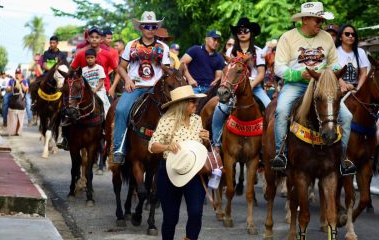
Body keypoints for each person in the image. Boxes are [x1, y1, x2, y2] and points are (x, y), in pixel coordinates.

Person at [271, 2, 356, 175]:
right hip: (296, 85)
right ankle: (281, 155)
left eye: (321, 20)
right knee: (281, 111)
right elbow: (278, 67)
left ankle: (342, 159)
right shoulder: (288, 37)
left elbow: (334, 64)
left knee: (347, 117)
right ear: (305, 19)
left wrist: (327, 73)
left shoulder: (326, 38)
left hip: (322, 86)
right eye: (317, 20)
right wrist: (298, 75)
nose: (320, 24)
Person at [148, 85, 209, 240]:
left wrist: (207, 140)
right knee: (170, 217)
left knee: (196, 212)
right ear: (181, 104)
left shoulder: (197, 119)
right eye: (192, 102)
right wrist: (167, 146)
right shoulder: (167, 120)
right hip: (170, 171)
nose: (196, 104)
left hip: (195, 170)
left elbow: (201, 147)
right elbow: (152, 146)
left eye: (196, 101)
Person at [112, 11, 170, 164]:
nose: (149, 29)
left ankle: (173, 147)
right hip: (136, 86)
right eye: (146, 26)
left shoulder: (163, 47)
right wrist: (127, 80)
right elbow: (121, 67)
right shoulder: (131, 45)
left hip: (156, 89)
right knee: (120, 109)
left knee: (174, 112)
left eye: (153, 26)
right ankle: (119, 148)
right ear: (141, 28)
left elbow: (167, 71)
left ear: (156, 28)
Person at [211, 17, 270, 149]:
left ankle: (267, 144)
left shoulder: (258, 51)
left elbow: (261, 73)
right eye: (239, 31)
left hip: (254, 86)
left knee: (270, 108)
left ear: (251, 33)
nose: (242, 33)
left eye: (245, 30)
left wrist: (249, 87)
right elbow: (227, 71)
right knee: (220, 109)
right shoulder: (230, 52)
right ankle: (216, 142)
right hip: (233, 86)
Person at [58, 26, 118, 150]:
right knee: (67, 109)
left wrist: (112, 87)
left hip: (102, 90)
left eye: (97, 37)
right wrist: (66, 84)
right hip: (82, 93)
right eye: (92, 37)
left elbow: (118, 71)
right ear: (88, 38)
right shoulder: (81, 54)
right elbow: (71, 71)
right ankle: (65, 138)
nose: (94, 39)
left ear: (101, 39)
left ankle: (109, 136)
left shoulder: (108, 54)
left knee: (112, 112)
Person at [335, 24, 369, 93]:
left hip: (356, 88)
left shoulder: (360, 52)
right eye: (347, 34)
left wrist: (357, 90)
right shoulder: (334, 52)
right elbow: (333, 72)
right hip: (338, 88)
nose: (351, 36)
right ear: (340, 37)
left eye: (353, 34)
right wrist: (344, 85)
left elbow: (363, 74)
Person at [82, 48, 110, 113]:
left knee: (102, 101)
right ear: (85, 58)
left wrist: (95, 89)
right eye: (88, 58)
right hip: (88, 91)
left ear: (95, 58)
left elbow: (101, 81)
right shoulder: (83, 70)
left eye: (92, 57)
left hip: (99, 90)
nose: (90, 59)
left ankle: (106, 116)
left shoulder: (99, 68)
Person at [6, 68, 28, 136]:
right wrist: (13, 85)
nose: (17, 74)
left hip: (21, 97)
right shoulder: (11, 80)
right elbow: (7, 90)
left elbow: (26, 90)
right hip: (12, 95)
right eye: (16, 73)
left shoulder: (24, 81)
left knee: (28, 102)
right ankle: (4, 119)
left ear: (21, 74)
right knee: (5, 100)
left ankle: (30, 118)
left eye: (18, 73)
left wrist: (20, 82)